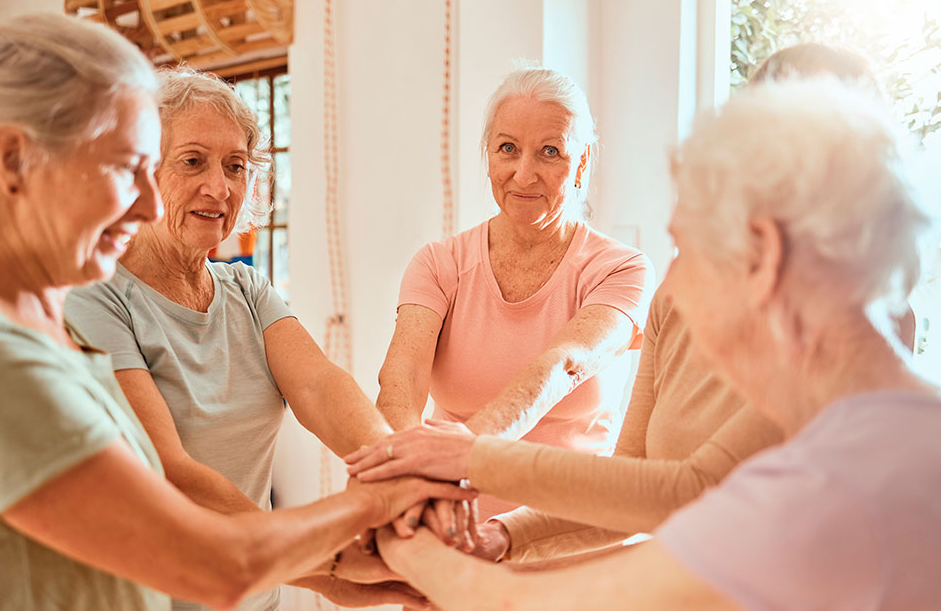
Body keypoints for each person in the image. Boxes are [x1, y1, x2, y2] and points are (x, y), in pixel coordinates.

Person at [0, 13, 473, 611]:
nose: (147, 203)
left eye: (233, 166)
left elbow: (322, 387)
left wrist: (383, 479)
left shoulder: (42, 337)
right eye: (125, 167)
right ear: (13, 162)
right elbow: (209, 556)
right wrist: (386, 501)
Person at [371, 78, 941, 610]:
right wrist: (496, 534)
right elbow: (655, 483)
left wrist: (406, 551)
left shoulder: (815, 487)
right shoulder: (891, 427)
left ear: (764, 258)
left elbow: (529, 603)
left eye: (683, 250)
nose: (668, 288)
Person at [63, 66, 446, 611]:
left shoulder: (245, 287)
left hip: (252, 594)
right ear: (141, 172)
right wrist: (327, 563)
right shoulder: (95, 299)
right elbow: (169, 471)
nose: (219, 187)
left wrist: (398, 473)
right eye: (192, 161)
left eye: (235, 166)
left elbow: (318, 387)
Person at [375, 66, 654, 525]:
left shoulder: (621, 268)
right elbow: (401, 380)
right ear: (488, 155)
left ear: (581, 163)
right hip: (451, 524)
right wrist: (404, 478)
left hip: (570, 532)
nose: (524, 174)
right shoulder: (439, 264)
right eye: (508, 149)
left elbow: (565, 364)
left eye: (550, 152)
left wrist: (467, 453)